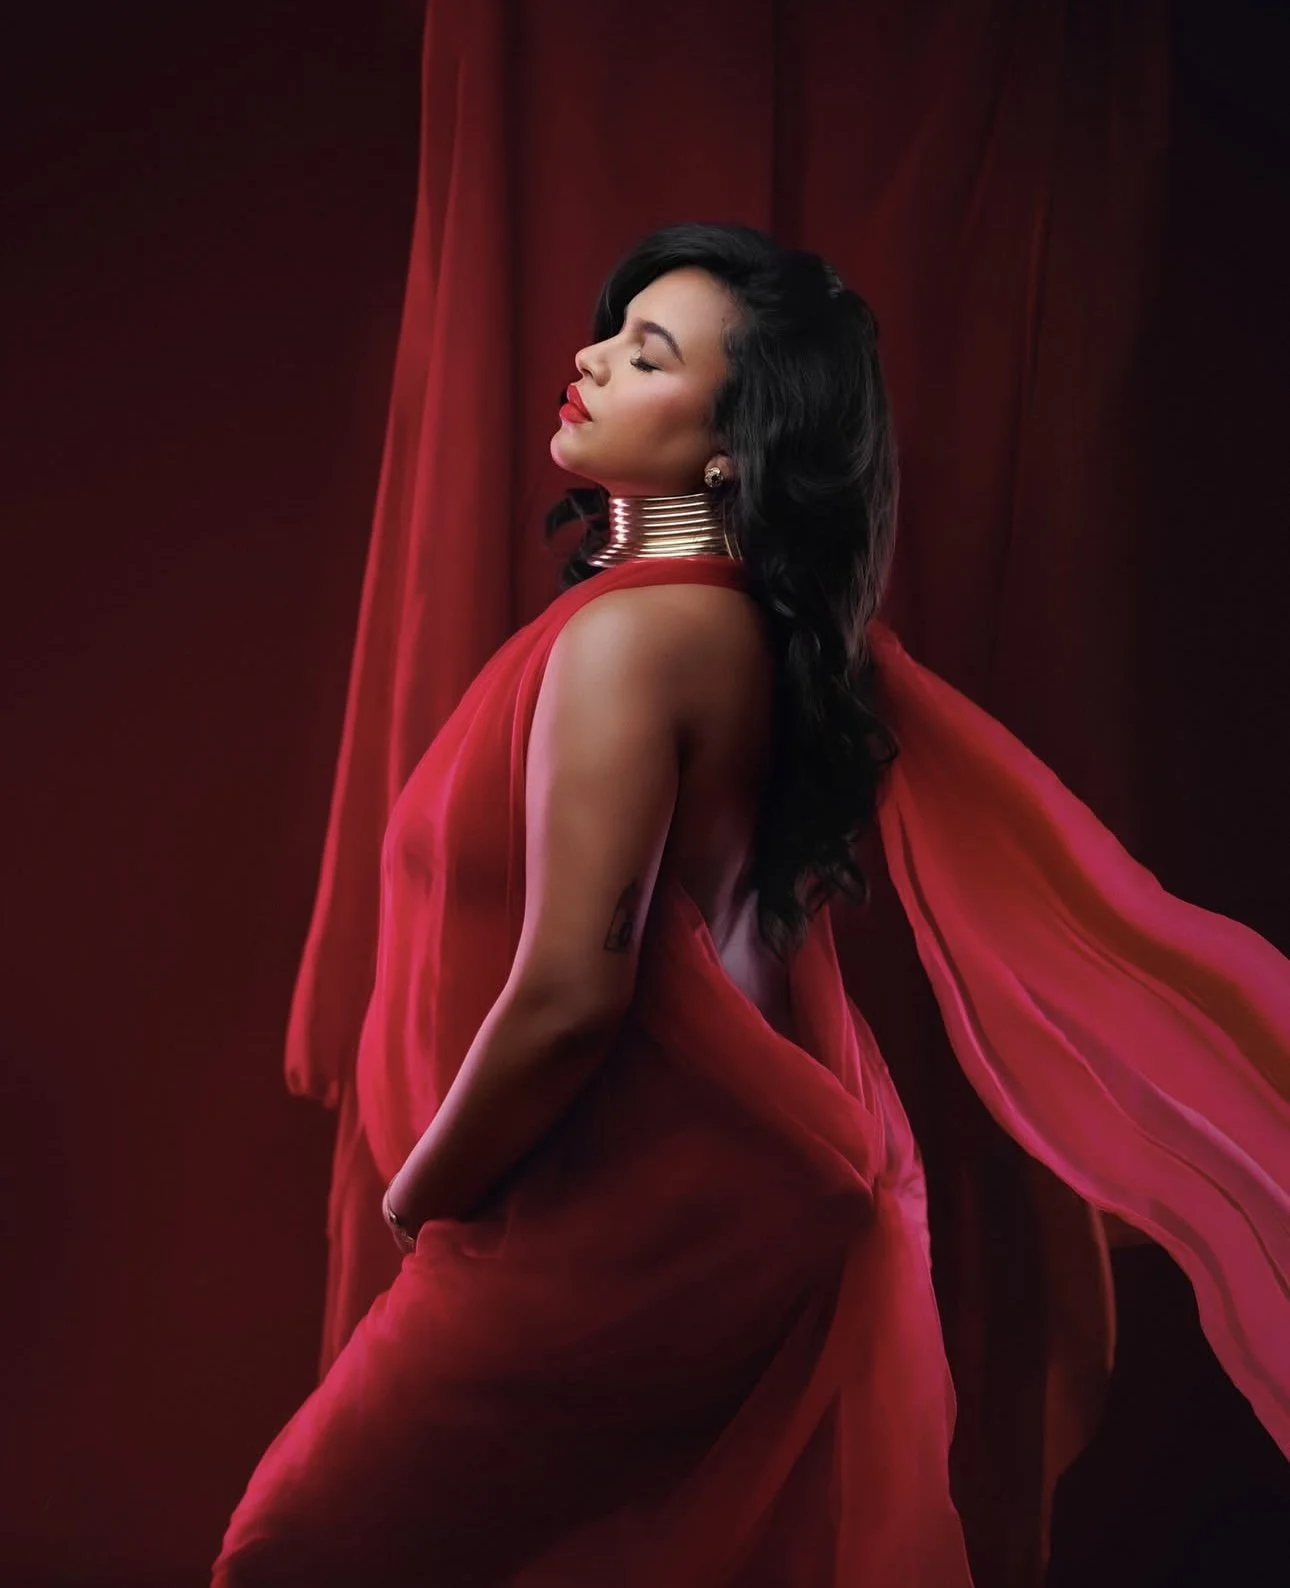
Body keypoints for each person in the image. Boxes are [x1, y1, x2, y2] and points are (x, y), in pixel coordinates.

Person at [212, 224, 1289, 1587]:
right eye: (612, 329)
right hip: (718, 1196)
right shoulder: (722, 625)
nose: (590, 357)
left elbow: (569, 995)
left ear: (733, 448)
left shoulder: (635, 638)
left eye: (646, 353)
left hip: (624, 1220)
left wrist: (422, 1194)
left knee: (292, 1554)